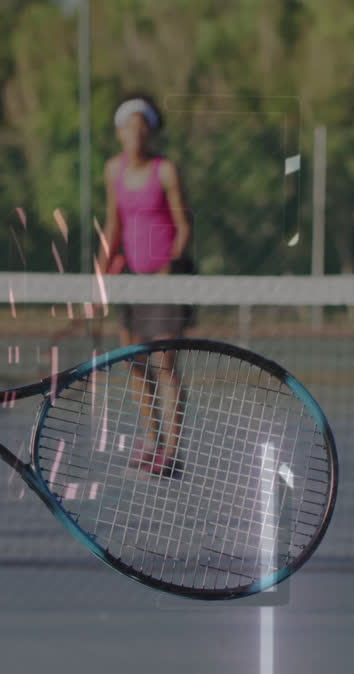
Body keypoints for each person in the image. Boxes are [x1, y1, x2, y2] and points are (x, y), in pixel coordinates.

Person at [98, 94, 194, 477]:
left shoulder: (166, 171)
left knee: (165, 365)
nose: (135, 134)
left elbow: (184, 226)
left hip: (167, 283)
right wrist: (102, 271)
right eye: (128, 127)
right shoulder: (112, 171)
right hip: (130, 285)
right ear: (120, 134)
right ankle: (152, 443)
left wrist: (169, 268)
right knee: (135, 365)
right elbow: (113, 224)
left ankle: (171, 451)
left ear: (149, 132)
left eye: (142, 127)